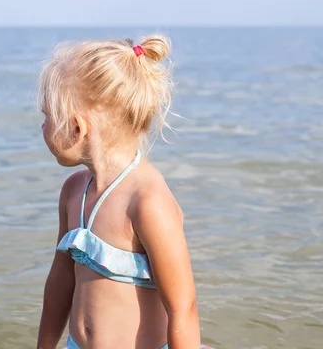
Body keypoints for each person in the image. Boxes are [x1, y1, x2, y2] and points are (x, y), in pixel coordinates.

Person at [36, 35, 211, 349]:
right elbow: (60, 281)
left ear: (77, 127)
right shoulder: (74, 190)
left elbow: (183, 308)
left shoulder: (146, 202)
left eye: (47, 117)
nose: (43, 127)